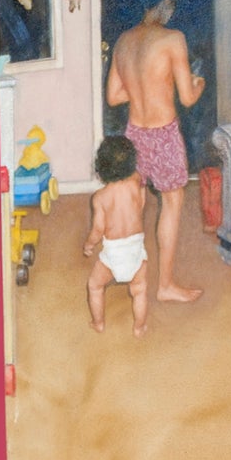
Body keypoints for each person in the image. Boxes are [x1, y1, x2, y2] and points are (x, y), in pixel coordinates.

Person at [106, 0, 205, 302]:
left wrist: (143, 87)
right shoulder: (173, 39)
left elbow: (114, 96)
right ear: (162, 8)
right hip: (163, 134)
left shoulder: (123, 41)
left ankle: (126, 273)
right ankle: (164, 286)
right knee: (172, 204)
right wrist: (198, 84)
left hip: (134, 133)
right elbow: (187, 98)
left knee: (134, 203)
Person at [83, 135, 149, 337]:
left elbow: (98, 229)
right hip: (136, 248)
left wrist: (89, 244)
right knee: (139, 290)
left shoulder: (100, 198)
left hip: (113, 253)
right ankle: (139, 327)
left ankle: (98, 323)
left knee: (95, 286)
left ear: (101, 167)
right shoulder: (136, 183)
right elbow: (141, 203)